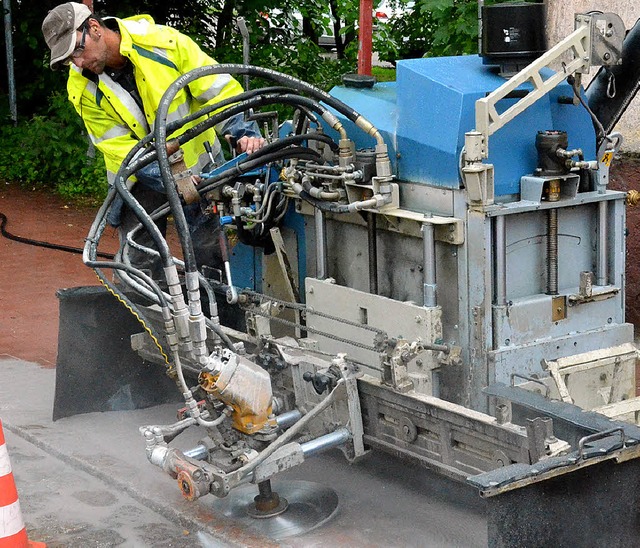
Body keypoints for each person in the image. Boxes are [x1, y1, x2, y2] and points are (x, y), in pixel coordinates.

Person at [42, 2, 264, 278]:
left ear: (95, 28)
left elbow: (217, 89)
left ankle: (213, 311)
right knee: (139, 262)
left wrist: (242, 129)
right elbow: (117, 147)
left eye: (77, 50)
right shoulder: (81, 86)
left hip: (198, 166)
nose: (78, 63)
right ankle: (146, 313)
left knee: (208, 255)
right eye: (68, 60)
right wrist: (167, 177)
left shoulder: (163, 44)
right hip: (140, 175)